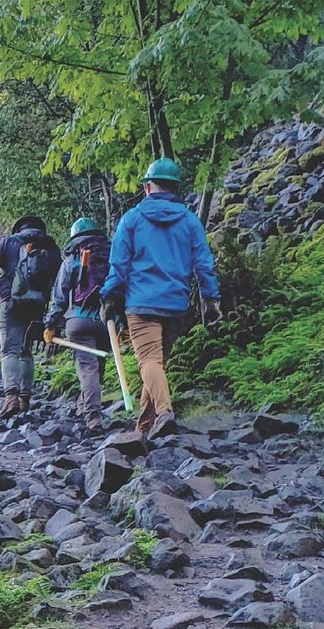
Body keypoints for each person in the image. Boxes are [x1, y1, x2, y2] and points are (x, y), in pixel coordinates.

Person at [100, 158, 222, 438]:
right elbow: (204, 264)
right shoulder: (189, 221)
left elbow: (118, 265)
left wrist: (109, 297)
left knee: (149, 362)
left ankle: (165, 412)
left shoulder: (132, 219)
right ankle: (144, 427)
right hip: (175, 305)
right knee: (156, 363)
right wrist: (210, 299)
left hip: (141, 304)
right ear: (176, 187)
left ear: (147, 186)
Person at [0, 216, 62, 419]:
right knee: (26, 350)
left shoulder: (9, 243)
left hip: (10, 301)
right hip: (37, 304)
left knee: (9, 348)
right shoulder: (51, 246)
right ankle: (25, 398)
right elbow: (60, 279)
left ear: (19, 228)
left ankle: (11, 397)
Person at [44, 217, 113, 434]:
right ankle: (84, 406)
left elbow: (60, 297)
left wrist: (51, 324)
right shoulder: (111, 256)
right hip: (106, 321)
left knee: (87, 368)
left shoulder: (71, 260)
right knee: (98, 366)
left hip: (78, 321)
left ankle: (93, 417)